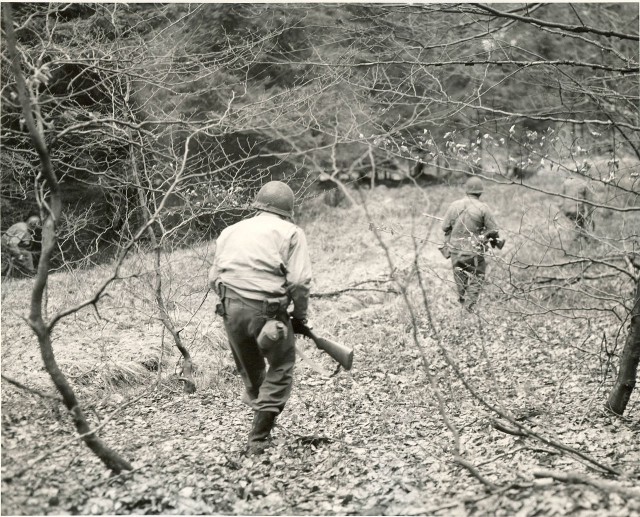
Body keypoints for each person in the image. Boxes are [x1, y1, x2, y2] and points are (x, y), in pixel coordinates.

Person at [208, 181, 312, 455]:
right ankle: (259, 437)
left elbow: (213, 277)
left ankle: (260, 417)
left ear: (258, 204)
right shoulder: (291, 232)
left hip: (229, 310)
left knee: (252, 372)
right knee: (280, 367)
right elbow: (300, 282)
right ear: (287, 210)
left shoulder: (230, 231)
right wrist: (299, 317)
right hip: (267, 313)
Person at [441, 177, 501, 311]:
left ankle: (463, 302)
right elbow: (494, 230)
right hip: (474, 251)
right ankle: (470, 306)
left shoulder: (454, 205)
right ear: (480, 192)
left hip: (456, 250)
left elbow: (445, 227)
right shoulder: (483, 208)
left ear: (466, 190)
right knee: (477, 276)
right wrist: (492, 239)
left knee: (459, 275)